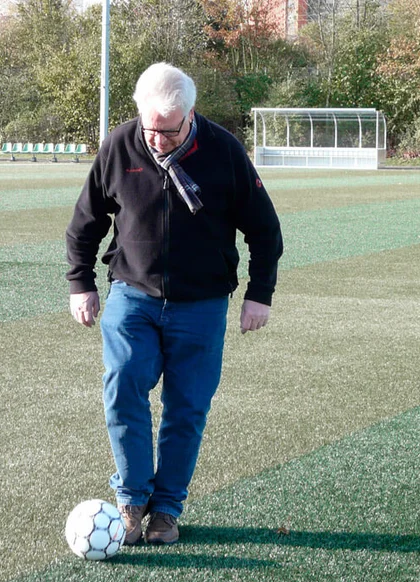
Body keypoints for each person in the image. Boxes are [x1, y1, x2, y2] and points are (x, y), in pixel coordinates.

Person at [65, 62, 283, 545]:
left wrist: (259, 295)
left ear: (190, 116)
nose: (158, 139)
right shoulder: (120, 145)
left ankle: (166, 509)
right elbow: (85, 223)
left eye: (169, 130)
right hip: (132, 295)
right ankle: (131, 499)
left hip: (202, 304)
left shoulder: (224, 151)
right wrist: (81, 283)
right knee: (122, 387)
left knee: (186, 409)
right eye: (150, 129)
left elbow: (265, 230)